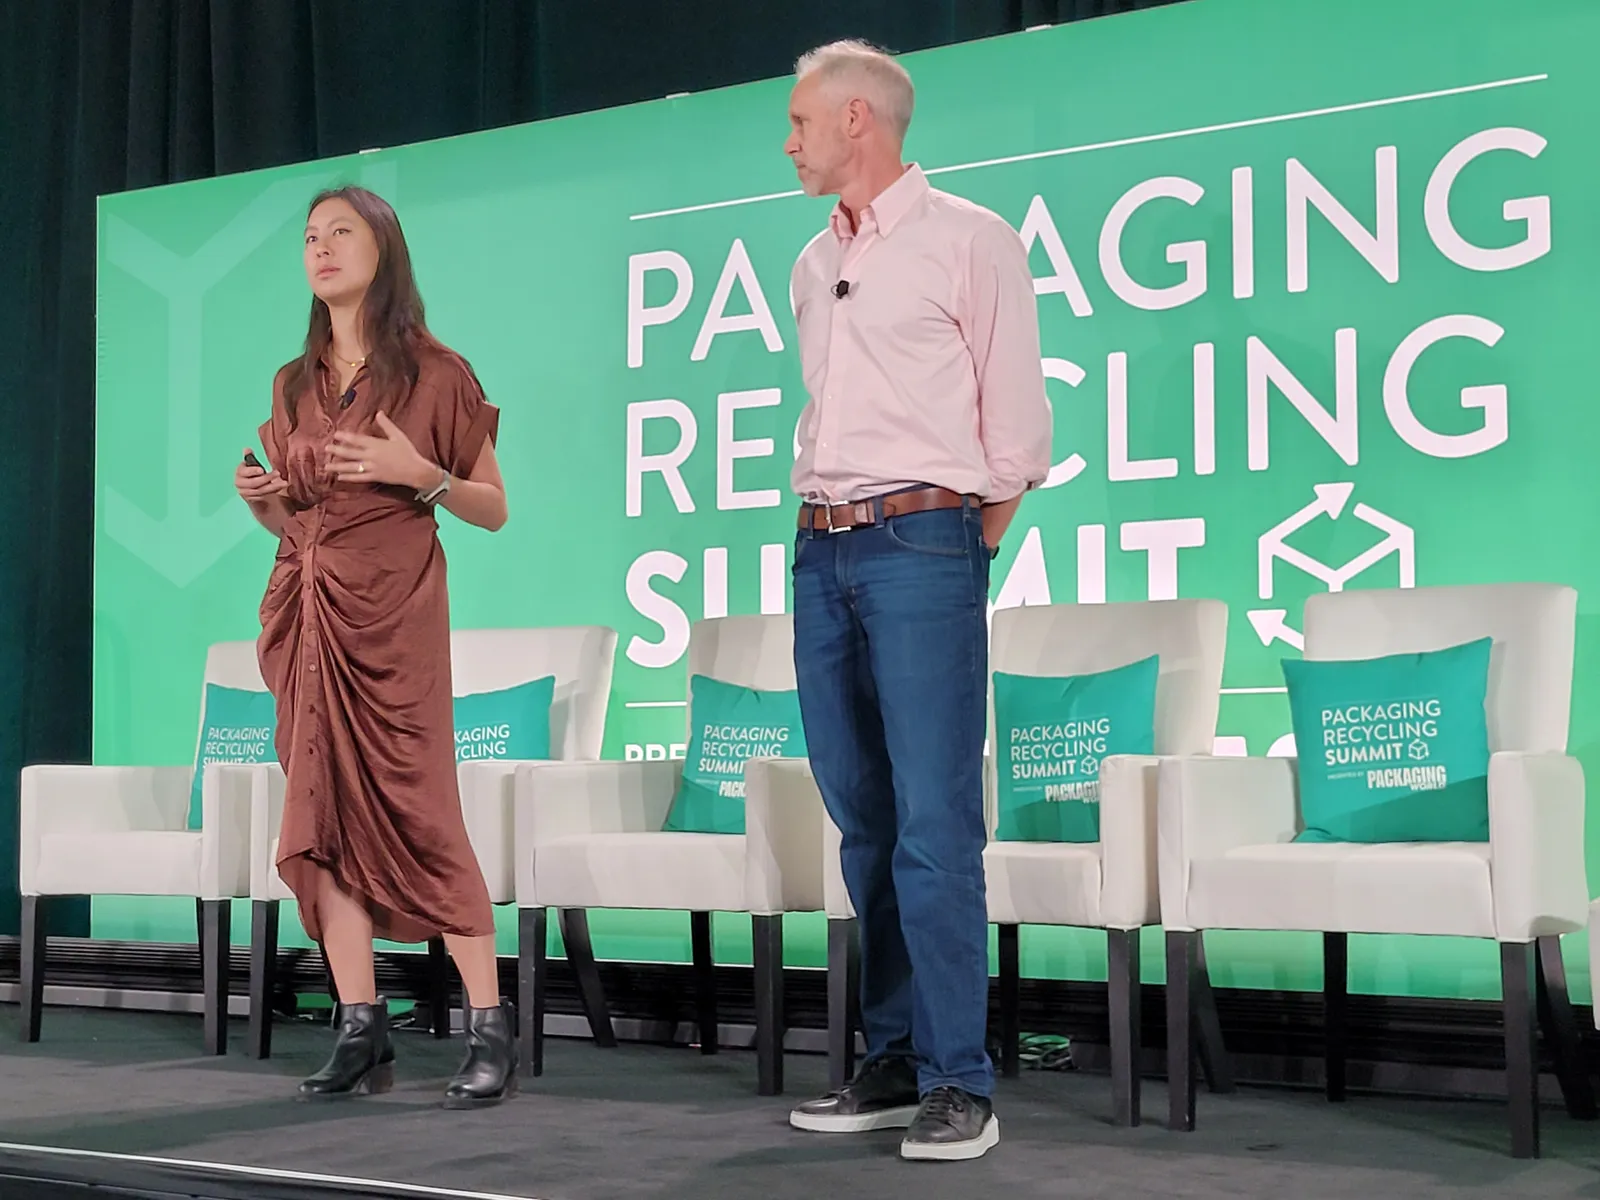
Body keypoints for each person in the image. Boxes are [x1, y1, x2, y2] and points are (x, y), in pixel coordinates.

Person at [781, 42, 1052, 1162]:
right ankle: (890, 1058)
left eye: (799, 122)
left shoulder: (970, 241)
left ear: (859, 119)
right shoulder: (809, 262)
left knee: (936, 825)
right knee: (864, 825)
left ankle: (959, 1082)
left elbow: (1015, 432)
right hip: (819, 550)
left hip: (923, 542)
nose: (788, 142)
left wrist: (945, 539)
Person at [233, 186, 516, 1108]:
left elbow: (493, 507)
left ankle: (488, 1026)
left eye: (340, 233)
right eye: (310, 237)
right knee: (316, 818)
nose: (321, 249)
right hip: (307, 610)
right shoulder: (292, 382)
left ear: (384, 249)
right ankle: (362, 1027)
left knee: (422, 807)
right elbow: (294, 518)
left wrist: (419, 473)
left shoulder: (437, 372)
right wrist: (263, 503)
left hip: (391, 617)